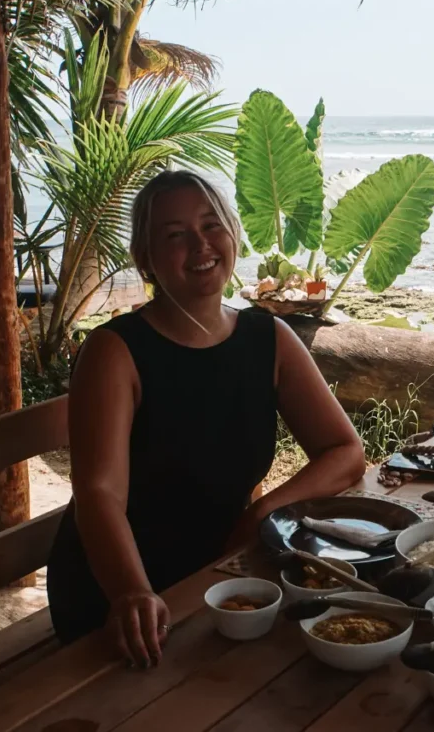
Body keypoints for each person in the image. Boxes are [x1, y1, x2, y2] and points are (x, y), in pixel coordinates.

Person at [46, 170, 365, 666]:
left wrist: (259, 514)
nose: (201, 245)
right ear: (145, 258)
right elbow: (99, 494)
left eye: (211, 225)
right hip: (121, 588)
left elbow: (345, 453)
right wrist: (131, 592)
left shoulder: (269, 338)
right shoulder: (116, 351)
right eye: (175, 235)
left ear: (232, 235)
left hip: (223, 567)